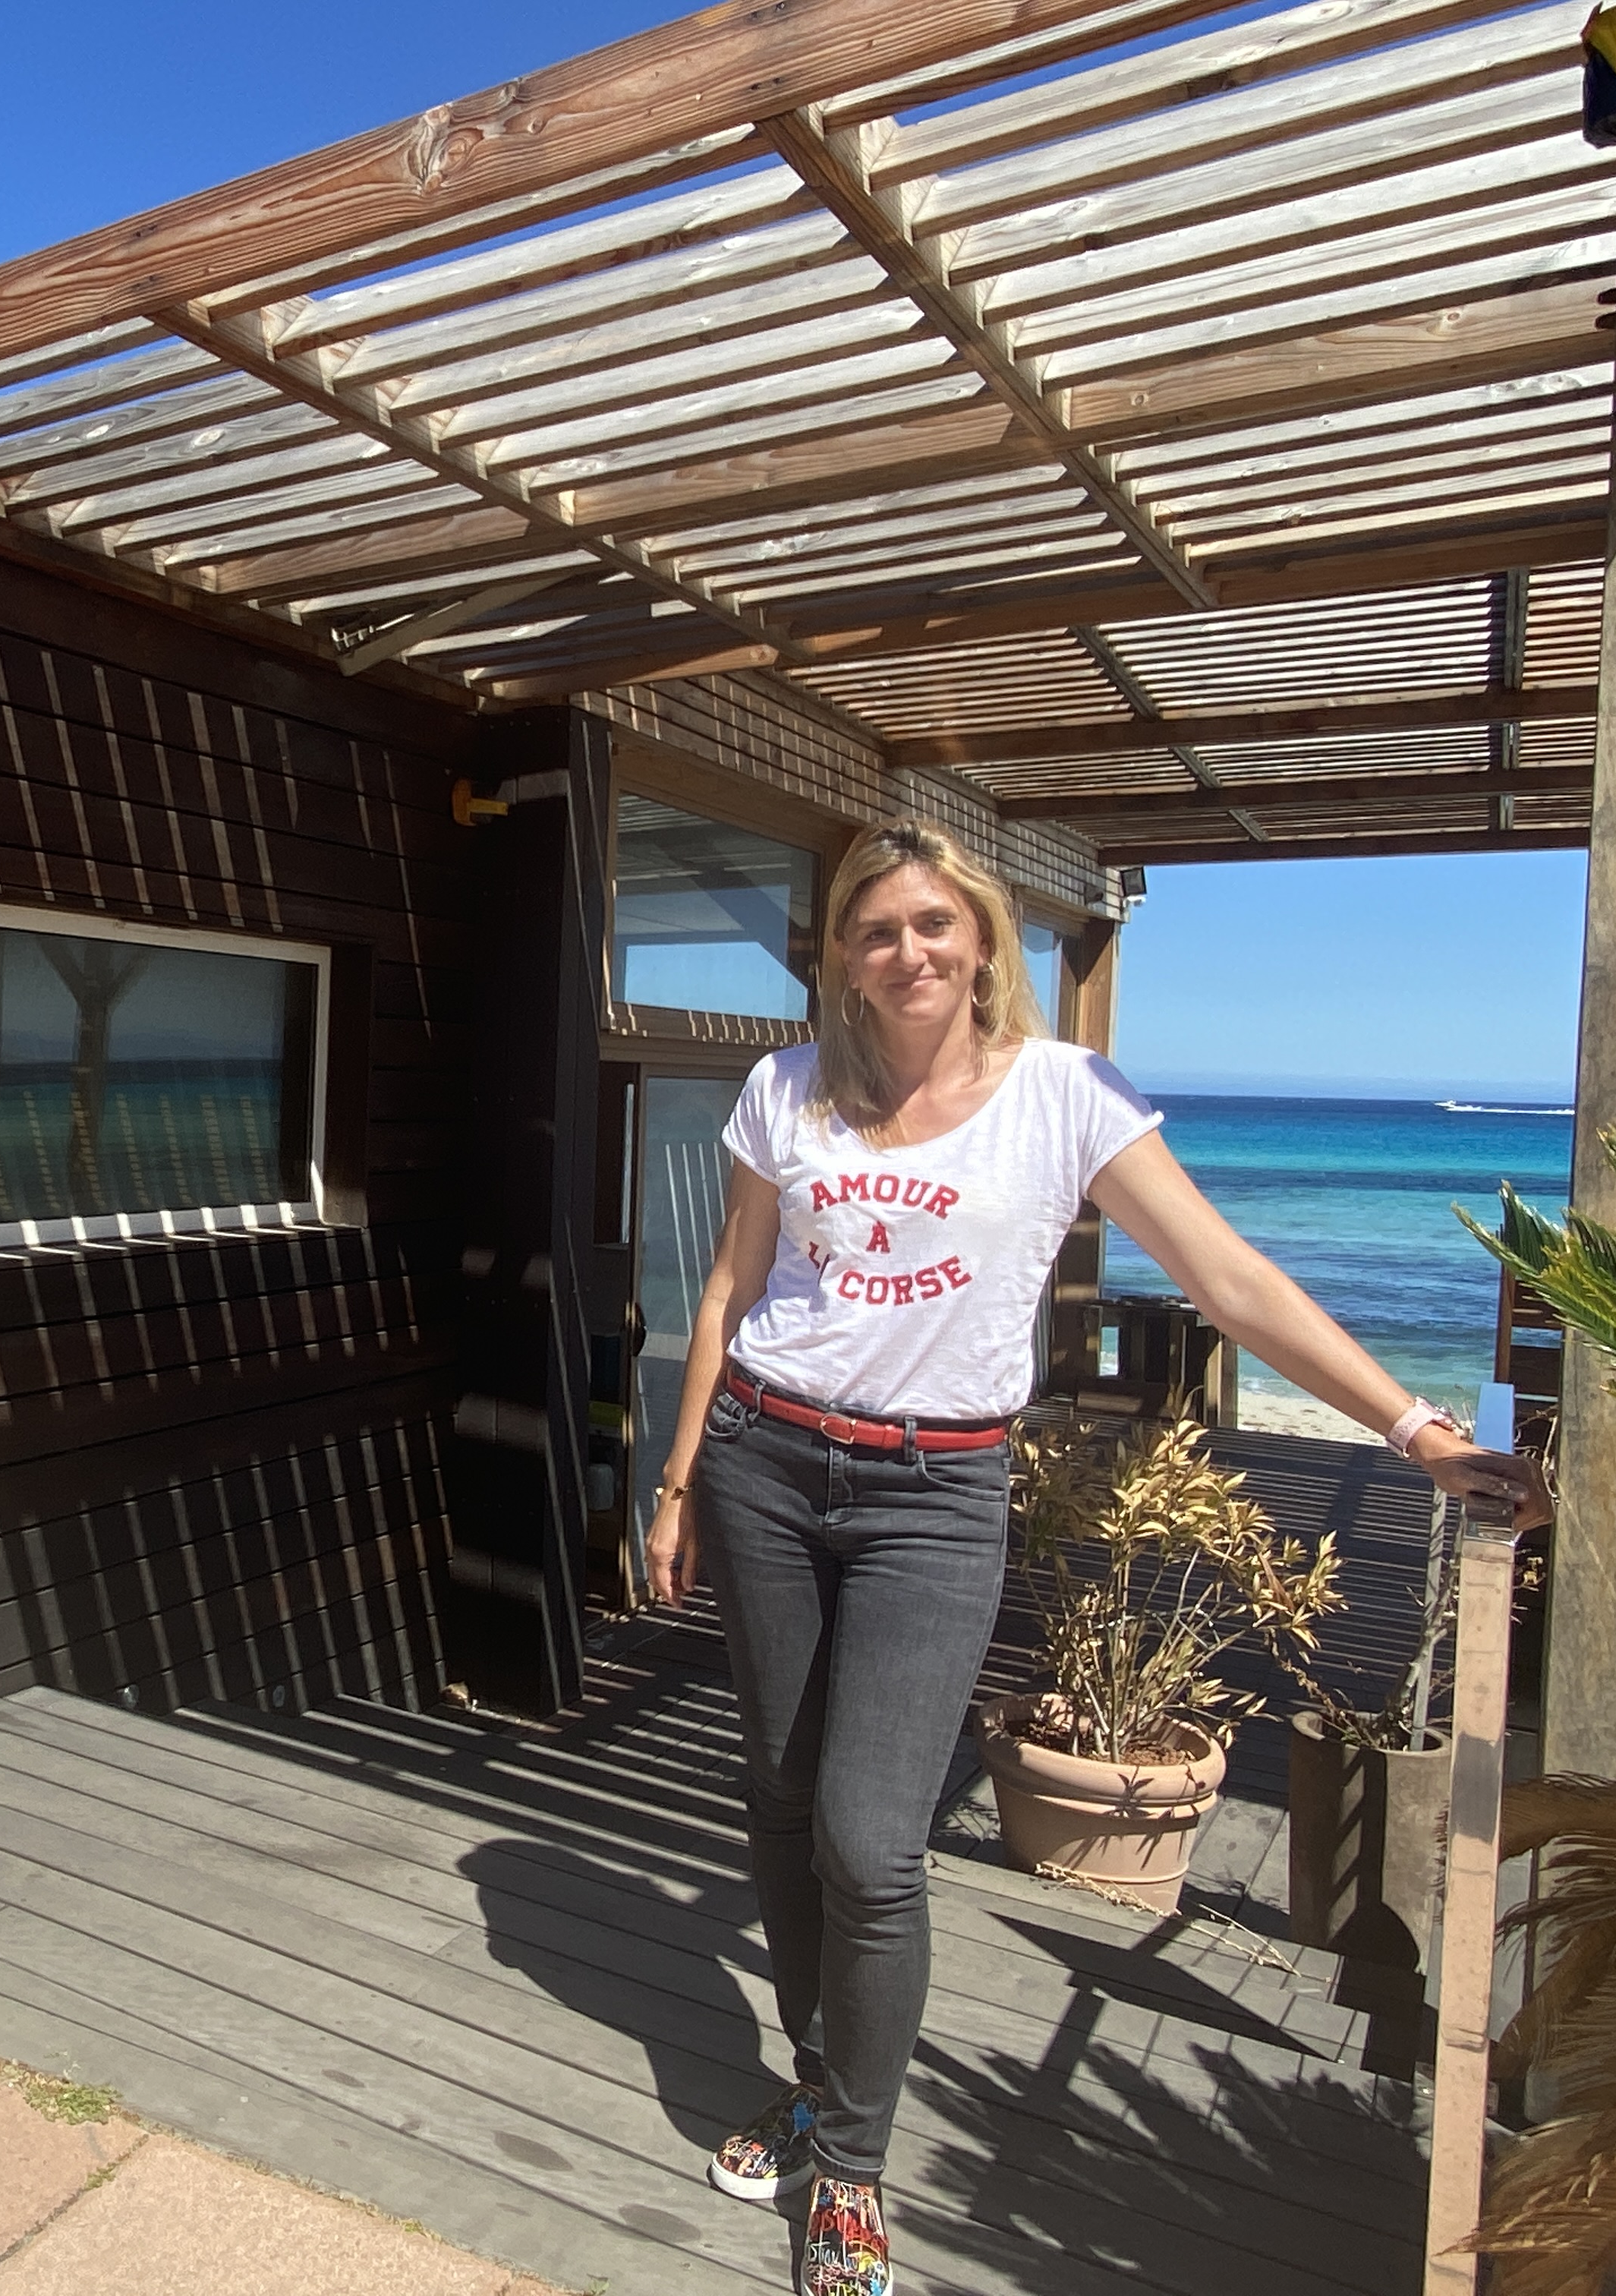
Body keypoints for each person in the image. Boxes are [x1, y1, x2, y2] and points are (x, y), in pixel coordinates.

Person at [645, 820, 1543, 2296]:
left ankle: (852, 2170)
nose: (910, 951)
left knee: (872, 1843)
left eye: (936, 924)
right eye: (878, 931)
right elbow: (736, 1284)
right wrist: (680, 1480)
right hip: (764, 1466)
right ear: (842, 960)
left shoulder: (1063, 1094)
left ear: (984, 940)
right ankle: (815, 2087)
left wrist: (1414, 1425)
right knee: (784, 1796)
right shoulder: (785, 1087)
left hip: (937, 1495)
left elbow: (1228, 1277)